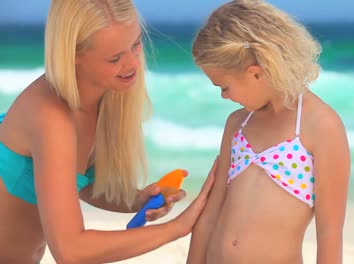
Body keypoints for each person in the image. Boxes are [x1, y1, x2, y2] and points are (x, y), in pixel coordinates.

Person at [0, 0, 215, 263]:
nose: (132, 64)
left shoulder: (101, 97)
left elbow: (81, 183)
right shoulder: (53, 118)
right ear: (73, 53)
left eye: (135, 45)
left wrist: (137, 200)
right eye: (115, 58)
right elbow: (70, 251)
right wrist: (177, 228)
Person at [187, 1, 350, 263]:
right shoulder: (238, 124)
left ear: (256, 74)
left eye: (224, 87)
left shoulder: (320, 125)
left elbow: (329, 232)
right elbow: (211, 213)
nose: (223, 96)